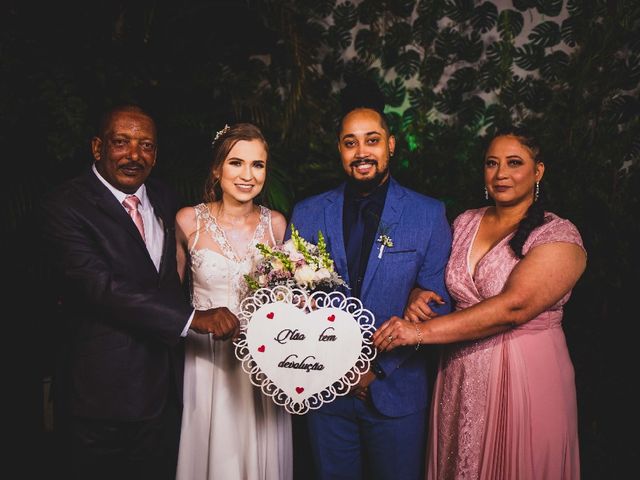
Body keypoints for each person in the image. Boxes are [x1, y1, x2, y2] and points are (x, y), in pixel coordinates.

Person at [40, 104, 239, 480]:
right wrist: (194, 319)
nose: (134, 155)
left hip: (165, 393)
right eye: (121, 142)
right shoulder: (65, 206)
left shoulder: (166, 200)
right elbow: (101, 288)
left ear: (156, 154)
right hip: (99, 398)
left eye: (146, 145)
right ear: (98, 147)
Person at [373, 130, 586, 479]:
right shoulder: (465, 222)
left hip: (524, 375)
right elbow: (435, 278)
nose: (501, 173)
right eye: (492, 163)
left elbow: (513, 307)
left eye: (514, 163)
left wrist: (418, 331)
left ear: (538, 171)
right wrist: (417, 293)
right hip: (459, 374)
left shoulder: (558, 234)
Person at [287, 79, 452, 479]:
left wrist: (376, 370)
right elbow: (293, 299)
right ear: (340, 150)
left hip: (396, 390)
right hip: (326, 392)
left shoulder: (427, 214)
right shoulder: (308, 214)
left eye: (372, 140)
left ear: (390, 145)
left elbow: (436, 299)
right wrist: (334, 365)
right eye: (350, 142)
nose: (362, 152)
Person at [174, 123, 293, 480]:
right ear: (217, 168)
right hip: (206, 363)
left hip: (262, 369)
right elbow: (167, 301)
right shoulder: (187, 221)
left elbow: (285, 300)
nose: (247, 175)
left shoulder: (277, 225)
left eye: (257, 165)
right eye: (236, 163)